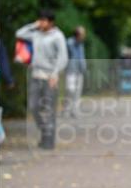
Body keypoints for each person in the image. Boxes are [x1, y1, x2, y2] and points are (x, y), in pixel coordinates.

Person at [15, 9, 68, 149]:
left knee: (49, 109)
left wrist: (55, 74)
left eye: (44, 20)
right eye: (40, 19)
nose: (42, 22)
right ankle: (45, 130)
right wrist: (33, 25)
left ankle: (48, 141)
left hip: (50, 77)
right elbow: (19, 34)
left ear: (51, 22)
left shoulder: (58, 36)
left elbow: (63, 57)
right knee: (33, 106)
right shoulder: (35, 34)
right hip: (35, 75)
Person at [63, 25, 87, 117]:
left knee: (77, 92)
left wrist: (84, 67)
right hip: (70, 70)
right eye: (83, 34)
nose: (84, 36)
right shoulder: (69, 43)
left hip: (79, 70)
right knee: (70, 89)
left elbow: (82, 56)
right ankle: (66, 109)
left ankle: (74, 110)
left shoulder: (81, 44)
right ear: (78, 34)